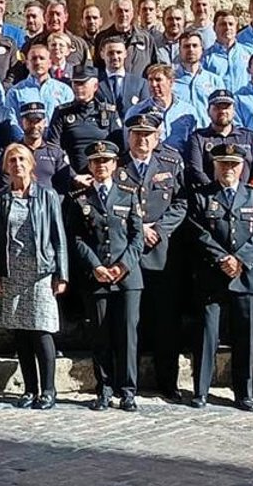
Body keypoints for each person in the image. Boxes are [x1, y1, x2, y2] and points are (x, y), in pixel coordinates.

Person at [187, 142, 253, 410]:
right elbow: (198, 231)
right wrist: (222, 258)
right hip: (213, 274)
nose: (228, 169)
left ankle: (244, 392)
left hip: (246, 276)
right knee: (206, 336)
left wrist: (240, 260)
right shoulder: (202, 197)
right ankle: (200, 390)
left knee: (244, 338)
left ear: (243, 166)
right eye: (223, 164)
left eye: (233, 165)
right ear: (215, 166)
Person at [0, 142, 69, 410]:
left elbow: (59, 238)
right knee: (21, 332)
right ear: (6, 167)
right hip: (13, 272)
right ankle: (30, 388)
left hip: (40, 272)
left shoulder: (47, 196)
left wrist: (62, 274)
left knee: (42, 330)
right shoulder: (0, 199)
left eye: (22, 159)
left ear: (32, 164)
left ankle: (48, 389)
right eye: (12, 160)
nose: (17, 164)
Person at [66, 138, 144, 411]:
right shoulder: (79, 198)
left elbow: (137, 237)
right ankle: (105, 388)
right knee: (100, 335)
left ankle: (128, 390)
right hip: (96, 276)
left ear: (114, 164)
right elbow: (75, 238)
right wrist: (95, 266)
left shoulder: (128, 193)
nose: (101, 165)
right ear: (89, 164)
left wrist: (123, 266)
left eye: (106, 161)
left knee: (127, 335)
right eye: (96, 161)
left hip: (127, 278)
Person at [113, 116, 187, 401]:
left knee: (166, 320)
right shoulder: (116, 166)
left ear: (157, 138)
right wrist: (137, 228)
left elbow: (181, 202)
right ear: (129, 137)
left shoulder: (169, 164)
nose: (142, 140)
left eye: (148, 135)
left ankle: (168, 382)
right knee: (128, 322)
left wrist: (158, 229)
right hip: (127, 253)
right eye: (137, 134)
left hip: (161, 252)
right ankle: (126, 384)